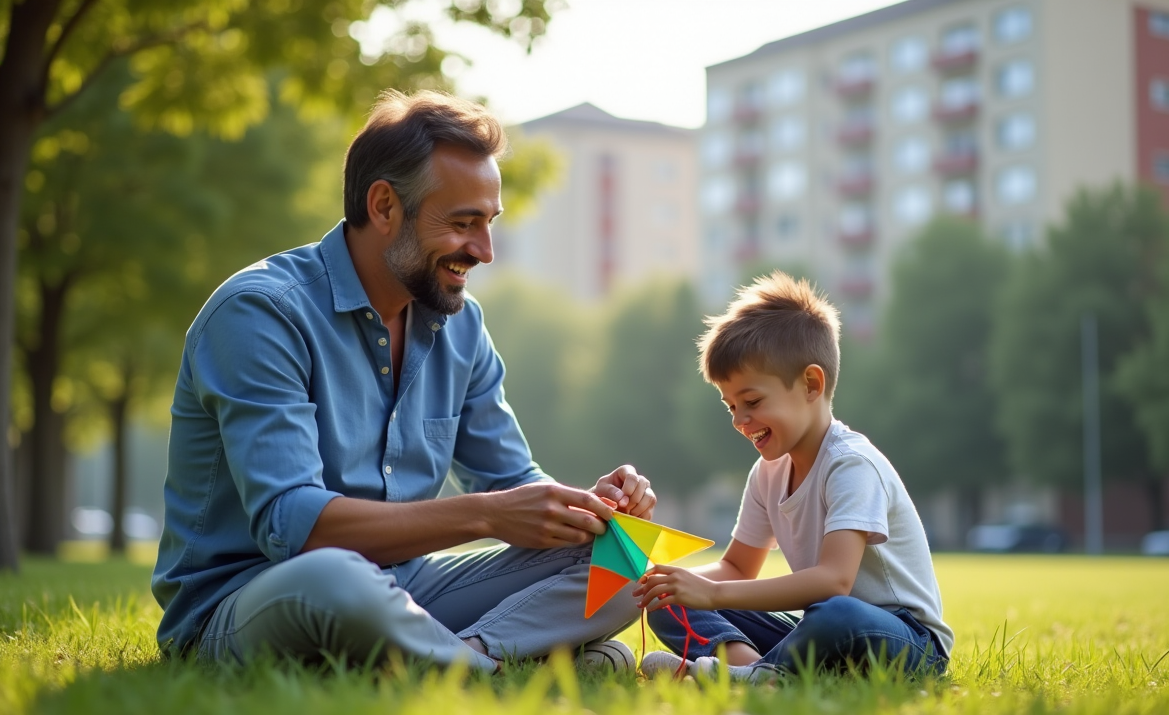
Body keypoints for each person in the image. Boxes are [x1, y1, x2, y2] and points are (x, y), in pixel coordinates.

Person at [151, 90, 654, 674]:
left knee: (627, 555)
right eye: (463, 224)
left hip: (407, 588)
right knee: (335, 574)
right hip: (253, 597)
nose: (485, 252)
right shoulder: (260, 314)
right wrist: (487, 514)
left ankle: (467, 657)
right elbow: (292, 525)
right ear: (385, 207)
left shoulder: (461, 328)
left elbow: (513, 482)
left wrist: (590, 508)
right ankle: (513, 660)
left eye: (489, 225)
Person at [634, 272, 951, 681]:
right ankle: (754, 673)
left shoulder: (851, 464)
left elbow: (835, 580)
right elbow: (736, 568)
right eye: (730, 406)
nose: (739, 420)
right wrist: (670, 583)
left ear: (811, 385)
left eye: (751, 401)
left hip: (904, 640)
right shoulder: (767, 473)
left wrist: (710, 593)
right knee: (670, 602)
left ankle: (753, 673)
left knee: (836, 612)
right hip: (818, 634)